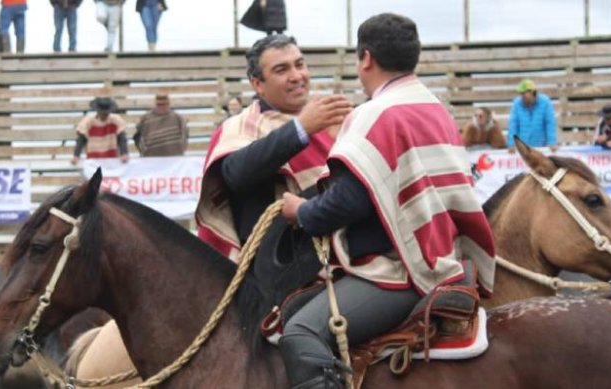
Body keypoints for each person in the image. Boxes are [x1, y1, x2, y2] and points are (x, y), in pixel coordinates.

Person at [279, 13, 496, 389]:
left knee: (300, 332)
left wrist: (302, 212)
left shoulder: (375, 113)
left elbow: (348, 203)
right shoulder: (435, 108)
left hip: (401, 271)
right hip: (444, 254)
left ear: (365, 59)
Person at [195, 34, 351, 263]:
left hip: (345, 253)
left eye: (300, 65)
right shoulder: (240, 127)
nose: (296, 76)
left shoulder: (328, 118)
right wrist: (301, 128)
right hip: (282, 272)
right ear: (257, 84)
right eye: (281, 70)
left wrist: (346, 140)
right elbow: (235, 174)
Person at [71, 97, 128, 164]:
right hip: (93, 159)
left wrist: (124, 153)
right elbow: (81, 140)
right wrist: (76, 155)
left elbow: (122, 138)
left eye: (106, 113)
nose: (104, 115)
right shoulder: (88, 121)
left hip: (112, 158)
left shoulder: (116, 120)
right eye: (102, 113)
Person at [507, 79, 558, 153]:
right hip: (523, 149)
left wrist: (552, 142)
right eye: (521, 94)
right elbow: (513, 125)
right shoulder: (517, 103)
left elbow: (550, 123)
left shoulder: (545, 102)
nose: (522, 96)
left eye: (524, 93)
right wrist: (511, 143)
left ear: (531, 92)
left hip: (541, 147)